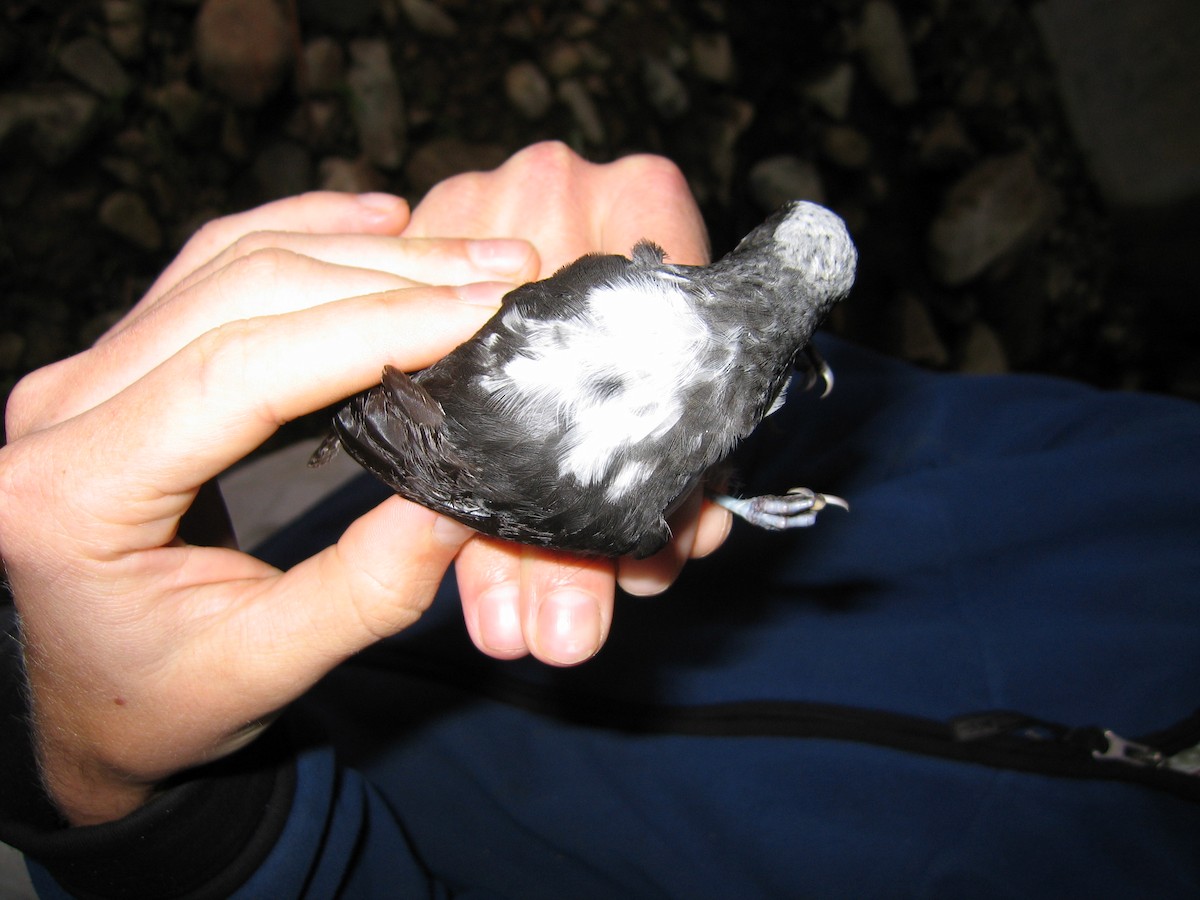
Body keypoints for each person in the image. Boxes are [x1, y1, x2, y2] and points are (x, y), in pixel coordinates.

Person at [1, 142, 1198, 898]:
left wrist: (149, 815)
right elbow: (923, 430)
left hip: (268, 780)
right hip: (332, 488)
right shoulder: (1164, 489)